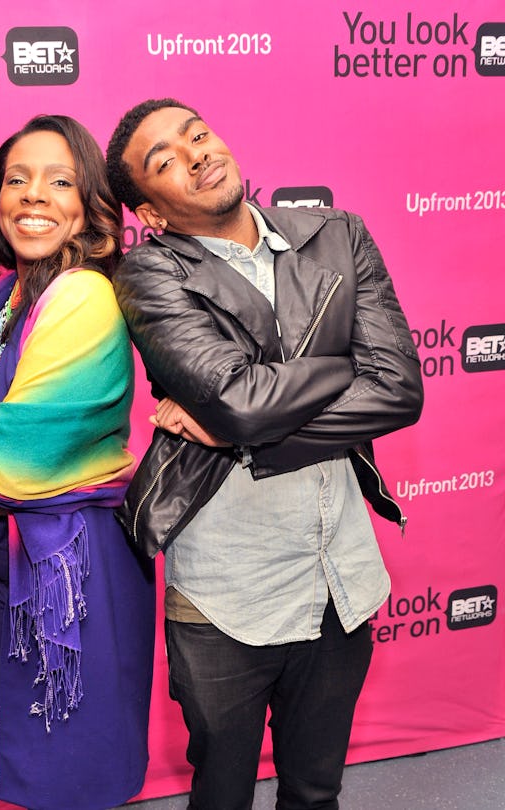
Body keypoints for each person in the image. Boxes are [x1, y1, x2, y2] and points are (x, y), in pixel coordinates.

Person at [105, 98, 424, 810]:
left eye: (198, 134)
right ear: (151, 214)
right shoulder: (150, 275)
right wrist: (342, 366)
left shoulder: (338, 235)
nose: (195, 154)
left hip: (339, 572)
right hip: (226, 592)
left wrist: (246, 432)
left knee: (314, 792)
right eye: (165, 161)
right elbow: (241, 402)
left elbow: (399, 391)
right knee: (222, 795)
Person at [0, 114, 155, 810]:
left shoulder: (83, 296)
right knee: (29, 749)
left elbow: (7, 464)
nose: (33, 196)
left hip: (70, 571)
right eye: (16, 180)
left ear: (88, 207)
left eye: (59, 180)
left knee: (71, 760)